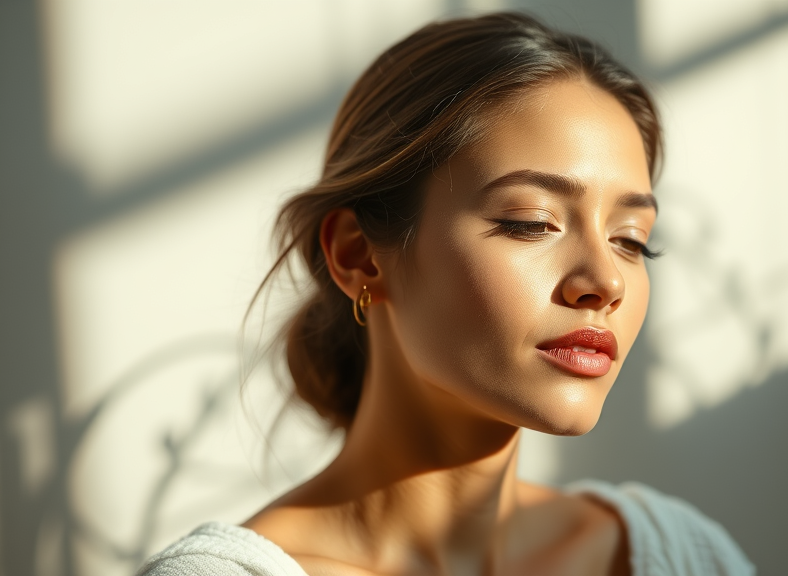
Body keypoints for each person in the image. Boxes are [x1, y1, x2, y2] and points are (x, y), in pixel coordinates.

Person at [137, 12, 754, 576]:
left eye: (630, 239)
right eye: (530, 222)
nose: (606, 282)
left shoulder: (681, 555)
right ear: (358, 256)